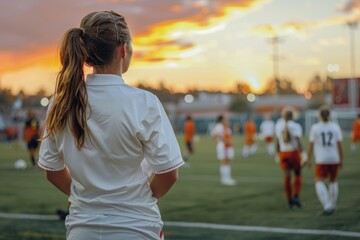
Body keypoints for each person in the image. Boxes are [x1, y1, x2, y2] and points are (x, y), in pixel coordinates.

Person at [38, 11, 184, 240]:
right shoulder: (144, 102)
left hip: (82, 229)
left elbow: (52, 170)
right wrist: (140, 198)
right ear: (123, 49)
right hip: (137, 228)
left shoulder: (60, 102)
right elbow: (169, 173)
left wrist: (83, 196)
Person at [307, 105, 343, 216]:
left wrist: (308, 158)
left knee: (319, 181)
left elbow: (311, 146)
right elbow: (340, 145)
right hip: (334, 158)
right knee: (333, 181)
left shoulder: (315, 127)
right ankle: (332, 204)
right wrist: (341, 159)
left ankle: (327, 205)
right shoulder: (335, 127)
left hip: (321, 159)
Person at [275, 106, 304, 209]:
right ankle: (296, 196)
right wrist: (303, 154)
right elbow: (298, 142)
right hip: (294, 153)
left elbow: (277, 142)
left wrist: (277, 154)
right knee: (297, 174)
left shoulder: (278, 125)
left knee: (287, 176)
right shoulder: (296, 126)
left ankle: (289, 200)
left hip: (283, 153)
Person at [211, 115, 236, 186]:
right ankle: (224, 179)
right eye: (225, 119)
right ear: (221, 120)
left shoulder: (225, 126)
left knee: (227, 162)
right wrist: (226, 142)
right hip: (223, 146)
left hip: (227, 146)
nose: (226, 120)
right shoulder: (219, 126)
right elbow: (215, 135)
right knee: (224, 162)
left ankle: (228, 178)